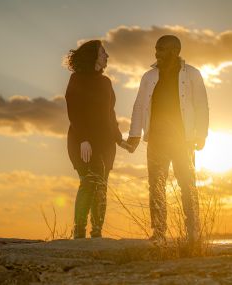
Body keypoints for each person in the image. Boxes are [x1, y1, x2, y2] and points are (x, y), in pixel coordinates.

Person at [127, 35, 209, 243]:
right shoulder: (148, 76)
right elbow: (139, 106)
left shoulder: (192, 74)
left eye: (161, 49)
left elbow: (201, 105)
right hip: (156, 139)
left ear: (175, 51)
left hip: (184, 140)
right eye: (156, 49)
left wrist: (201, 134)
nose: (157, 53)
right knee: (156, 185)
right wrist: (134, 135)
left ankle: (193, 232)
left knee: (187, 184)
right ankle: (159, 232)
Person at [65, 40, 127, 239]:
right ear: (93, 56)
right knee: (89, 181)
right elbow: (74, 110)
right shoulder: (77, 79)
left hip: (106, 143)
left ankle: (97, 233)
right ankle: (79, 232)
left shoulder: (106, 82)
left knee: (101, 185)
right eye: (103, 53)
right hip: (82, 142)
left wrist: (119, 139)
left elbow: (111, 114)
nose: (107, 56)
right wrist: (83, 138)